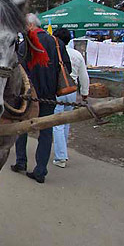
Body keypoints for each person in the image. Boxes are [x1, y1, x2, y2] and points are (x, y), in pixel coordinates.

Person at [10, 13, 72, 184]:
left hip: (28, 96)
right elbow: (68, 67)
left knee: (22, 127)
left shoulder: (24, 46)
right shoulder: (57, 43)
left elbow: (17, 72)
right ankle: (40, 171)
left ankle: (21, 162)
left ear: (29, 26)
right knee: (46, 132)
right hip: (49, 95)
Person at [51, 28, 90, 168]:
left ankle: (61, 156)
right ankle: (62, 150)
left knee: (57, 124)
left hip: (58, 92)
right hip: (72, 91)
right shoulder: (77, 54)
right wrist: (85, 92)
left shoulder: (54, 53)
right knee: (66, 122)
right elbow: (84, 76)